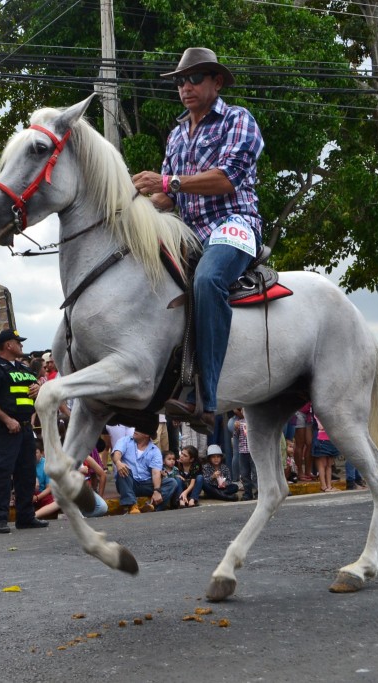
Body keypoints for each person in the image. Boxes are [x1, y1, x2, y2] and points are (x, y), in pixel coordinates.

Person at [132, 47, 264, 433]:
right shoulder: (175, 135)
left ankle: (207, 399)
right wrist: (129, 203)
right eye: (179, 80)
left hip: (234, 224)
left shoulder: (238, 120)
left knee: (207, 280)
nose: (185, 86)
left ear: (216, 82)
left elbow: (225, 179)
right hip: (188, 232)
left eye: (194, 78)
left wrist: (168, 182)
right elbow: (167, 197)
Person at [0, 330, 47, 533]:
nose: (22, 346)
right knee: (2, 473)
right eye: (18, 342)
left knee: (26, 473)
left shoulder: (25, 369)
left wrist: (38, 390)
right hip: (6, 429)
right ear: (8, 345)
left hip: (26, 429)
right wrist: (7, 420)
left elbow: (34, 393)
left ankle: (26, 517)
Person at [111, 429, 179, 514]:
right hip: (129, 482)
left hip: (146, 483)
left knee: (172, 482)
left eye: (139, 429)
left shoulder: (155, 450)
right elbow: (117, 453)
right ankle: (132, 505)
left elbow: (155, 473)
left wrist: (157, 490)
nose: (135, 430)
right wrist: (118, 462)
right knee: (124, 469)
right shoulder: (125, 440)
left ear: (147, 435)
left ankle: (151, 506)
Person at [232, 407, 256, 500]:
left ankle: (258, 492)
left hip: (253, 451)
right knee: (244, 474)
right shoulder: (239, 422)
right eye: (243, 410)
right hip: (243, 451)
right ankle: (247, 493)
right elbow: (236, 436)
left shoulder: (255, 421)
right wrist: (236, 428)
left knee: (255, 474)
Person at [313, 417, 339, 492]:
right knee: (322, 464)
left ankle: (329, 486)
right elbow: (321, 426)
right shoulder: (319, 414)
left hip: (331, 439)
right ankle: (323, 486)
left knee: (329, 465)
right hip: (322, 439)